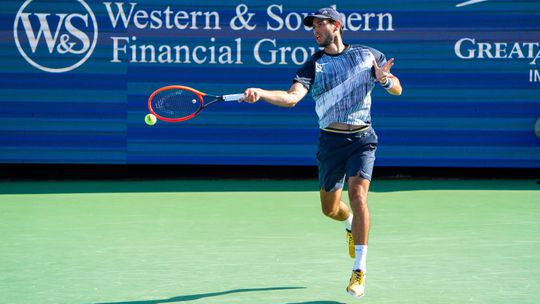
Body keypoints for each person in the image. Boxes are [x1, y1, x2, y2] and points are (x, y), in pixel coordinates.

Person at [242, 7, 402, 298]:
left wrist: (384, 80)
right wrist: (262, 93)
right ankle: (350, 223)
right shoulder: (313, 65)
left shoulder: (368, 56)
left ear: (336, 25)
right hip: (330, 143)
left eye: (319, 25)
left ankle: (359, 270)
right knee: (330, 209)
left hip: (363, 139)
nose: (314, 30)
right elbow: (291, 98)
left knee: (358, 196)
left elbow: (397, 89)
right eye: (312, 26)